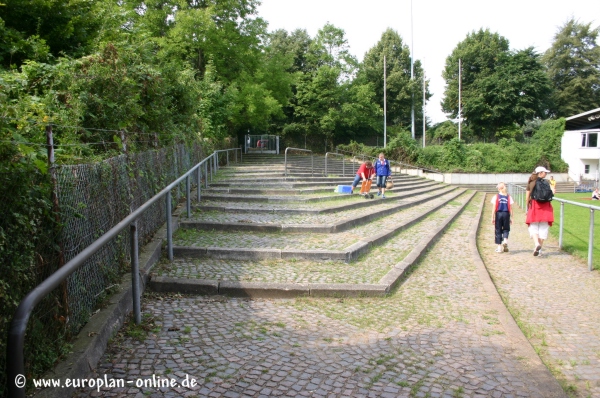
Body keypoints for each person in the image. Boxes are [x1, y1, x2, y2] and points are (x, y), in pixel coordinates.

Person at [525, 166, 554, 257]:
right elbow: (551, 194)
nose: (546, 174)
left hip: (535, 206)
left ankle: (536, 244)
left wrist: (528, 207)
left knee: (534, 227)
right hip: (546, 207)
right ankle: (539, 249)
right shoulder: (547, 182)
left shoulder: (531, 183)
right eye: (545, 172)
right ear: (540, 173)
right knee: (543, 228)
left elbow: (527, 197)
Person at [491, 182, 514, 253]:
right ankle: (505, 241)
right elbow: (510, 208)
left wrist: (492, 217)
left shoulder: (496, 196)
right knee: (506, 229)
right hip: (506, 214)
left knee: (498, 230)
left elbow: (494, 207)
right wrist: (512, 217)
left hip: (499, 214)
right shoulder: (508, 197)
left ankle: (499, 247)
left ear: (499, 188)